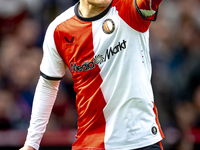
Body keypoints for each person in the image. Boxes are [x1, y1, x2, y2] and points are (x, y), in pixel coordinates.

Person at [20, 0, 164, 150]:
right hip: (90, 143)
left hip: (141, 140)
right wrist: (31, 144)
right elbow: (48, 85)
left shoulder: (131, 8)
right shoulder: (59, 29)